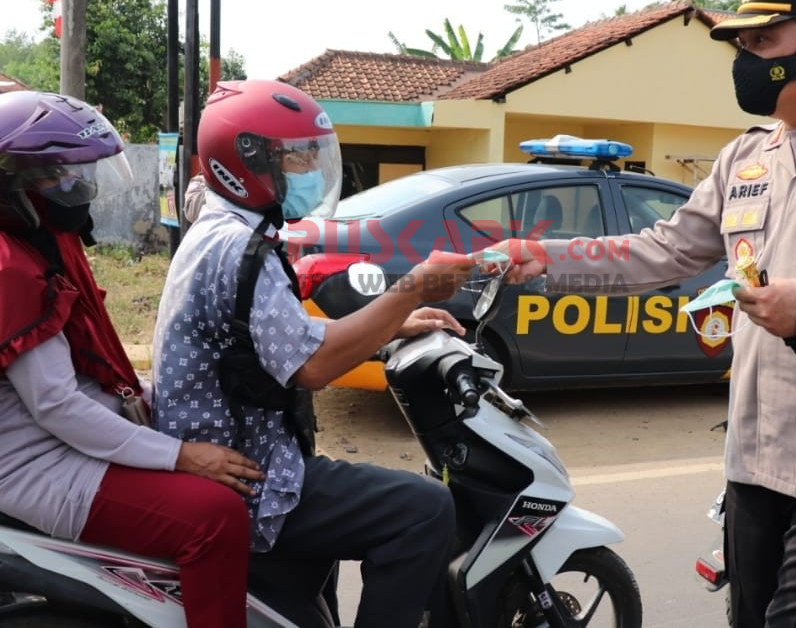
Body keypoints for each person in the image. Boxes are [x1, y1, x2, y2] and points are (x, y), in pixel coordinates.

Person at [486, 0, 796, 627]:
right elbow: (663, 250)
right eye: (741, 44)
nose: (745, 59)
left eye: (762, 40)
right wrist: (547, 258)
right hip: (753, 466)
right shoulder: (744, 158)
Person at [152, 79, 473, 628]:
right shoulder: (239, 248)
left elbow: (283, 334)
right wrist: (412, 289)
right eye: (296, 157)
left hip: (250, 456)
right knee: (424, 509)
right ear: (247, 161)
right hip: (249, 477)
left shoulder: (223, 228)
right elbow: (313, 365)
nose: (307, 168)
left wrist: (394, 324)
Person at [0, 90, 264, 627]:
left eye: (73, 171)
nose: (74, 185)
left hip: (64, 439)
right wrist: (180, 456)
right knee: (215, 518)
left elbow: (86, 368)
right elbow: (56, 405)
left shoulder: (43, 244)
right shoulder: (10, 269)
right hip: (37, 464)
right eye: (54, 176)